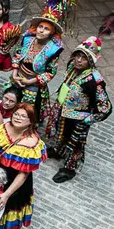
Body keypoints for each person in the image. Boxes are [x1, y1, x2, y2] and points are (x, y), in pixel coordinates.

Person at [44, 36, 111, 183]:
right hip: (63, 111)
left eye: (84, 58)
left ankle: (70, 168)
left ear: (91, 61)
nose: (79, 60)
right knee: (61, 133)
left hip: (79, 119)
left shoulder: (95, 81)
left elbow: (105, 108)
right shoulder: (71, 66)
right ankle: (58, 151)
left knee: (75, 143)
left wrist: (87, 120)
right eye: (77, 55)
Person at [10, 0, 78, 115]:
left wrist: (30, 81)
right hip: (17, 77)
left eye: (46, 29)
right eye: (40, 27)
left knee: (27, 111)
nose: (41, 31)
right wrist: (14, 74)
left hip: (33, 84)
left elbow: (50, 72)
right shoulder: (27, 40)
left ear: (51, 33)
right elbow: (17, 55)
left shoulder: (53, 50)